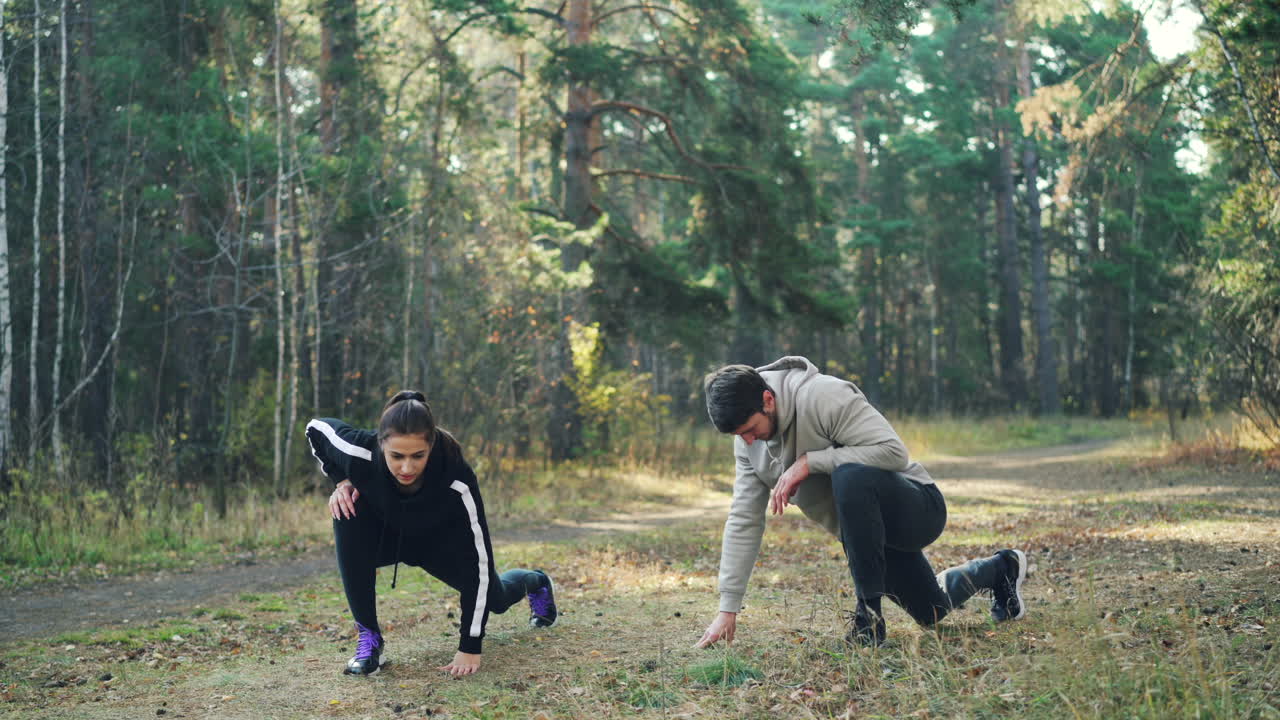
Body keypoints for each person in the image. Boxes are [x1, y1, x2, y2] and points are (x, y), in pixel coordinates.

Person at [694, 357, 1027, 649]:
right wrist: (728, 609)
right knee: (932, 613)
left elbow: (894, 452)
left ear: (768, 400)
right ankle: (1001, 569)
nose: (747, 441)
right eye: (740, 436)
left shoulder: (823, 395)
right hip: (864, 535)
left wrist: (811, 462)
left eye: (750, 430)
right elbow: (744, 518)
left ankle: (868, 619)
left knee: (848, 475)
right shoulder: (748, 442)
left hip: (917, 507)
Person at [305, 390, 558, 677]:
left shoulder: (457, 477)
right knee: (347, 509)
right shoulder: (359, 451)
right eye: (396, 456)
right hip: (387, 538)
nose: (406, 467)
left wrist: (470, 646)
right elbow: (315, 428)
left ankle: (536, 581)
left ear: (431, 445)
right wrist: (342, 480)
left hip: (438, 545)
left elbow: (480, 564)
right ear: (381, 444)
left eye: (418, 456)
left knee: (496, 599)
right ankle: (369, 639)